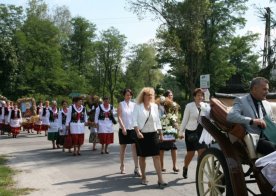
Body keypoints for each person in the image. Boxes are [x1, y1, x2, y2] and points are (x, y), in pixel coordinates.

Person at [227, 77, 276, 155]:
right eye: (264, 89)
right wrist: (252, 120)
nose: (267, 92)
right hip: (257, 139)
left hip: (271, 136)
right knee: (272, 147)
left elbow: (272, 121)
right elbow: (231, 116)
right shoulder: (241, 101)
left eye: (267, 89)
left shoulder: (267, 103)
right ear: (254, 88)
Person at [132, 87, 167, 188]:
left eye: (152, 95)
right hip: (142, 135)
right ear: (143, 96)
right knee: (142, 157)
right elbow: (134, 121)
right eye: (148, 95)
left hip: (153, 134)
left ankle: (160, 179)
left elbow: (158, 121)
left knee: (156, 156)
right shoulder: (138, 106)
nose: (151, 96)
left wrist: (161, 134)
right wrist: (137, 132)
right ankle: (143, 177)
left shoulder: (155, 106)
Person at [179, 88, 208, 179]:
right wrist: (181, 132)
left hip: (202, 132)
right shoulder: (189, 106)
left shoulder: (205, 106)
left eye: (201, 95)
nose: (200, 97)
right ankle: (185, 167)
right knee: (190, 154)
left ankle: (200, 174)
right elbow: (184, 119)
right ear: (194, 96)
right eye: (198, 95)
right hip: (191, 132)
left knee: (202, 153)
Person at [117, 89, 141, 176]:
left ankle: (136, 168)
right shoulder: (121, 104)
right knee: (123, 148)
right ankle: (122, 165)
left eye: (130, 95)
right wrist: (123, 128)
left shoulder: (134, 105)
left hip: (132, 129)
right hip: (124, 129)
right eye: (127, 95)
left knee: (134, 147)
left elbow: (136, 117)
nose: (129, 96)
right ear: (124, 95)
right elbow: (119, 117)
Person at [159, 90, 180, 173]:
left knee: (173, 147)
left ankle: (175, 166)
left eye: (172, 95)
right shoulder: (161, 105)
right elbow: (159, 116)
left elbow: (176, 116)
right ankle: (161, 166)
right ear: (166, 97)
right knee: (161, 148)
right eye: (169, 95)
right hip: (163, 127)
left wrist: (177, 126)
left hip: (171, 128)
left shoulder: (174, 105)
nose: (171, 97)